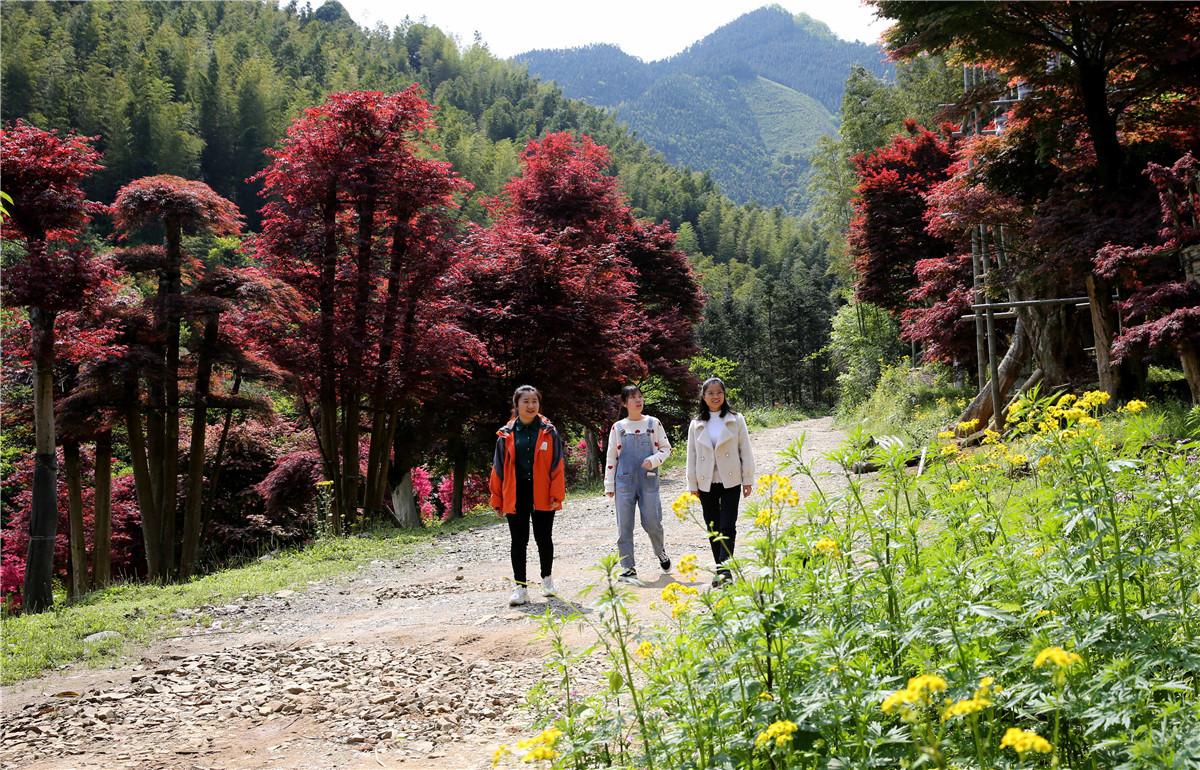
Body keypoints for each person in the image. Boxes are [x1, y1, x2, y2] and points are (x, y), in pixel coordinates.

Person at [490, 385, 566, 606]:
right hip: (516, 492)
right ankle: (520, 588)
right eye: (526, 401)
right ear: (517, 405)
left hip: (543, 491)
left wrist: (556, 494)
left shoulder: (549, 432)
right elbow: (498, 469)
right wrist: (497, 498)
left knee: (544, 538)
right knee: (518, 541)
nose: (531, 405)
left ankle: (547, 580)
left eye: (534, 401)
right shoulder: (505, 434)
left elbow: (557, 466)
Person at [685, 377, 754, 587]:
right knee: (713, 527)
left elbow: (745, 449)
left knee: (728, 526)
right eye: (710, 393)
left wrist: (748, 478)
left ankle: (724, 571)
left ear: (724, 395)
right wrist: (692, 484)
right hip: (706, 482)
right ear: (703, 397)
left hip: (731, 479)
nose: (715, 396)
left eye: (719, 392)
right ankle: (721, 569)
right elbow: (692, 455)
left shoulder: (736, 419)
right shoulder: (696, 423)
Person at [604, 384, 672, 585]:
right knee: (624, 526)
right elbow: (611, 457)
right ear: (625, 403)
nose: (638, 400)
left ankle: (660, 552)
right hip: (623, 482)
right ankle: (628, 567)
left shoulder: (653, 424)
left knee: (652, 522)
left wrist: (654, 460)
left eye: (640, 396)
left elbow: (666, 449)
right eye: (633, 397)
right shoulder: (618, 427)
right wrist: (609, 485)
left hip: (648, 479)